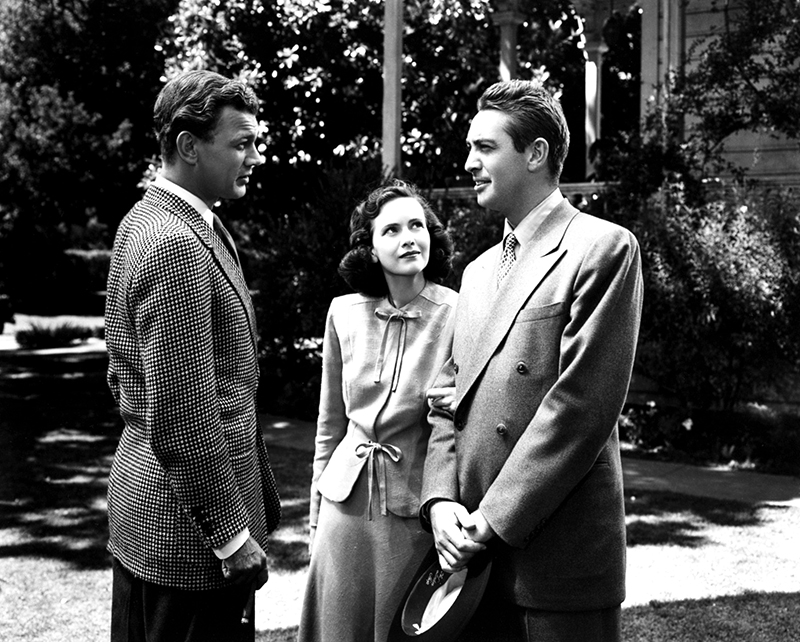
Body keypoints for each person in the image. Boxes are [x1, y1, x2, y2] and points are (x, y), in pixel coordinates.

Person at [421, 79, 644, 641]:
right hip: (469, 563)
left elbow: (580, 407)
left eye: (485, 147)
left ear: (536, 153)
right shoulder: (476, 272)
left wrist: (492, 518)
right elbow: (447, 399)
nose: (469, 163)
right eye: (470, 148)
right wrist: (440, 502)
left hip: (557, 560)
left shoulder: (603, 248)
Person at [104, 69, 281, 642]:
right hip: (186, 543)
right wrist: (230, 537)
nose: (255, 156)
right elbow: (181, 413)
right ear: (188, 146)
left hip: (161, 520)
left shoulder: (162, 219)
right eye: (242, 143)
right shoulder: (175, 242)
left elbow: (127, 378)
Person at [297, 180, 458, 642]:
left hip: (414, 512)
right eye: (392, 230)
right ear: (369, 248)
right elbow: (329, 426)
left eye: (417, 226)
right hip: (342, 511)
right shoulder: (342, 313)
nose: (409, 238)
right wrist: (315, 521)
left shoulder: (459, 312)